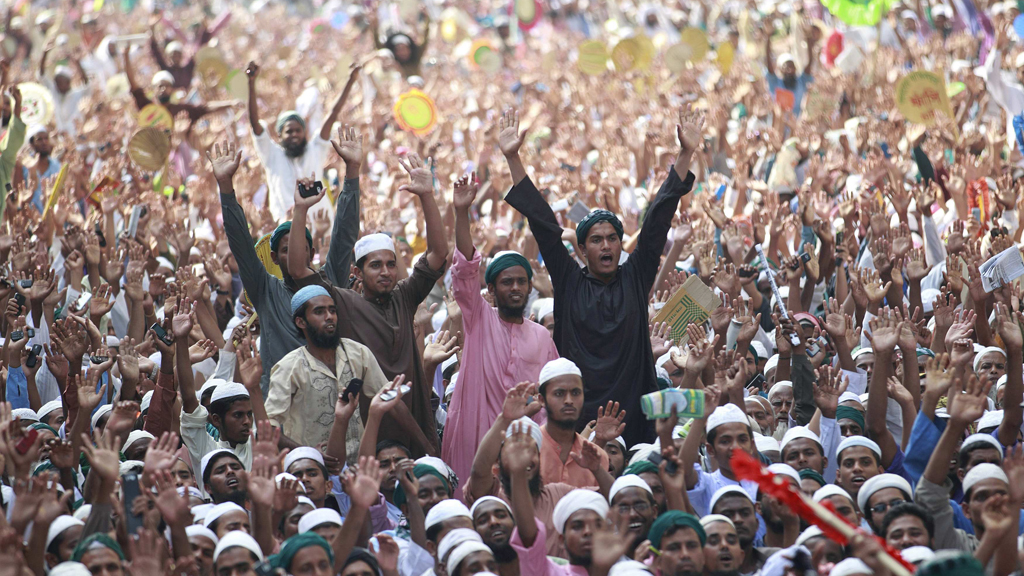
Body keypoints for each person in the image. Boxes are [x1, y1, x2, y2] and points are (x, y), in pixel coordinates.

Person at [498, 107, 701, 447]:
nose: (606, 245)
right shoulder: (569, 280)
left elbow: (658, 217)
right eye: (596, 239)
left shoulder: (635, 275)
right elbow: (542, 222)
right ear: (581, 250)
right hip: (577, 414)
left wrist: (685, 153)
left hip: (635, 411)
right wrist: (513, 157)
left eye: (612, 238)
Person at [286, 152, 448, 456]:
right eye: (376, 266)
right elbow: (297, 270)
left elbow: (439, 254)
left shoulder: (404, 296)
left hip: (414, 424)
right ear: (357, 273)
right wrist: (300, 210)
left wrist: (427, 195)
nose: (386, 271)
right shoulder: (343, 304)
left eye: (390, 264)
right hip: (368, 433)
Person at [208, 137, 361, 398]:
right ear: (275, 259)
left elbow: (344, 234)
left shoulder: (330, 279)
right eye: (286, 250)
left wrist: (353, 172)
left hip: (332, 400)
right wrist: (225, 186)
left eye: (301, 248)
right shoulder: (266, 290)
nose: (295, 256)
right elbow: (241, 245)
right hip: (282, 405)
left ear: (312, 254)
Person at [445, 171, 559, 490]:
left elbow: (549, 395)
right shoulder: (479, 319)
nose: (515, 288)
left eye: (521, 281)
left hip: (526, 448)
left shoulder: (541, 336)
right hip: (476, 438)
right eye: (507, 282)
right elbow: (466, 268)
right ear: (491, 290)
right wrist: (460, 213)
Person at [245, 60, 360, 220]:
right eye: (289, 131)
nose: (294, 134)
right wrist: (251, 83)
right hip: (285, 229)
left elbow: (333, 113)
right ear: (279, 135)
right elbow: (254, 123)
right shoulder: (271, 154)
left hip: (322, 227)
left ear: (305, 132)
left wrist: (351, 80)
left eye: (298, 130)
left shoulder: (315, 150)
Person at [12, 124, 59, 212]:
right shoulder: (23, 165)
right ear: (32, 144)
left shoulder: (56, 165)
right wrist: (22, 168)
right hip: (30, 216)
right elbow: (16, 192)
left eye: (46, 138)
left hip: (52, 216)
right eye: (39, 139)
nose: (44, 142)